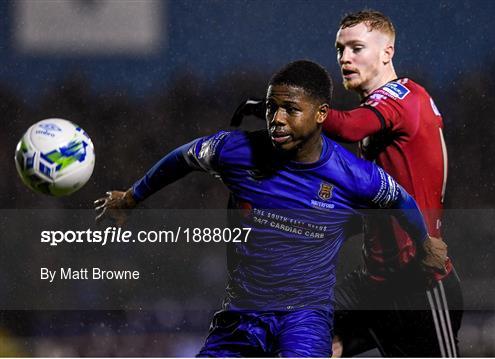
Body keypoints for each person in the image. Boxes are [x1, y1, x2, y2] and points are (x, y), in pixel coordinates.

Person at [94, 60, 446, 357]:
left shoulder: (354, 176)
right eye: (270, 107)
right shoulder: (236, 151)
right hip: (241, 316)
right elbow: (181, 158)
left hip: (305, 319)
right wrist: (131, 197)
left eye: (290, 109)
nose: (276, 118)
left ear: (322, 113)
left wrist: (426, 242)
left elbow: (400, 200)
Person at [231, 11, 463, 358]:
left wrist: (284, 107)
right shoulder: (384, 115)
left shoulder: (401, 98)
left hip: (419, 287)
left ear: (388, 53)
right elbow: (368, 204)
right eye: (340, 50)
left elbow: (349, 127)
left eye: (356, 48)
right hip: (375, 286)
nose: (344, 58)